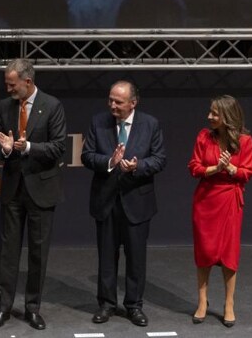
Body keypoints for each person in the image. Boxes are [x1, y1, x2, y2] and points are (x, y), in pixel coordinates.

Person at [0, 58, 67, 330]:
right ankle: (3, 307)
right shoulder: (4, 107)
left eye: (12, 85)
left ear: (28, 82)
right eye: (7, 84)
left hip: (42, 190)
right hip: (13, 190)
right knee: (7, 253)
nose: (9, 89)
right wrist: (7, 149)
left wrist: (28, 146)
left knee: (38, 253)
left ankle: (32, 308)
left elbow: (58, 148)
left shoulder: (52, 106)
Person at [81, 80, 166, 327]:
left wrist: (137, 166)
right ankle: (107, 304)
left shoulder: (150, 124)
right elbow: (87, 156)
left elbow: (160, 159)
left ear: (133, 103)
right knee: (107, 257)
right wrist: (110, 162)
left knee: (136, 258)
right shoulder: (99, 122)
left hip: (137, 202)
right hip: (106, 201)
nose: (112, 105)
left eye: (118, 102)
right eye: (110, 100)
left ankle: (134, 306)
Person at [187, 95, 252, 328]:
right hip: (205, 199)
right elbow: (194, 167)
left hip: (229, 200)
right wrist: (215, 168)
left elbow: (248, 172)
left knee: (228, 254)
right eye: (210, 112)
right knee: (204, 252)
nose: (209, 117)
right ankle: (202, 301)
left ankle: (228, 304)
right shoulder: (203, 137)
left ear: (227, 116)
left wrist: (231, 168)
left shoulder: (245, 141)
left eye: (215, 113)